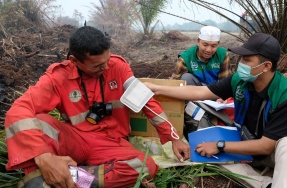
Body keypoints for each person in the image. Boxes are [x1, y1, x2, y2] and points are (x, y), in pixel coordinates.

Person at [4, 26, 190, 188]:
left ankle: (66, 178)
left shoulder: (118, 66)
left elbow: (146, 102)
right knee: (39, 122)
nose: (106, 67)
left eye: (107, 60)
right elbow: (18, 112)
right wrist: (44, 157)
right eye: (98, 65)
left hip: (112, 142)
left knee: (144, 166)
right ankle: (49, 171)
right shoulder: (58, 77)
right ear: (75, 61)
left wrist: (174, 137)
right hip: (76, 138)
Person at [145, 33, 287, 187]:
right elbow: (201, 91)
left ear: (266, 66)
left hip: (277, 152)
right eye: (241, 58)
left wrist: (220, 145)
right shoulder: (240, 80)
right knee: (205, 151)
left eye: (247, 59)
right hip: (249, 145)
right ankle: (265, 183)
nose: (241, 63)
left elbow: (266, 145)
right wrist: (157, 88)